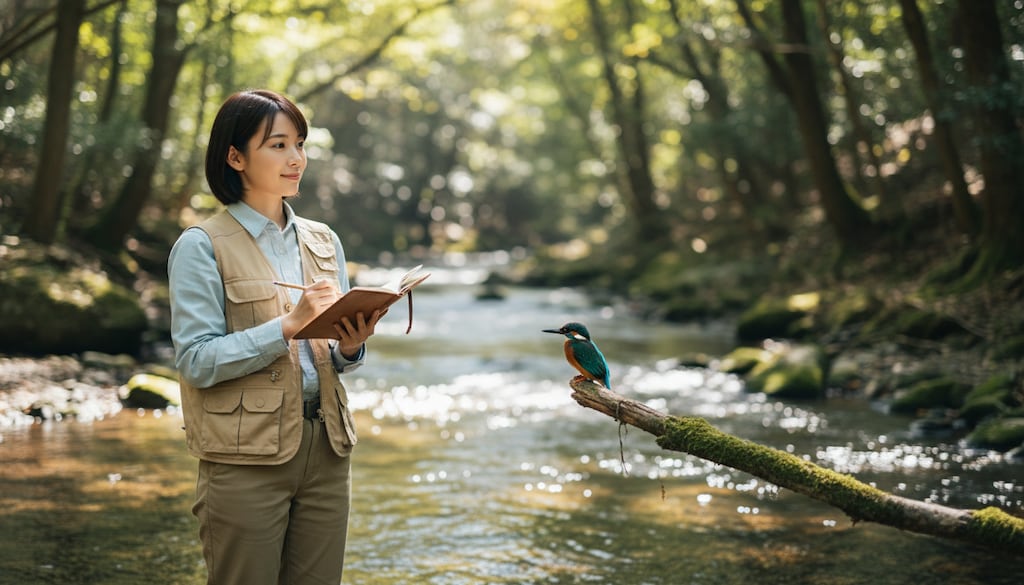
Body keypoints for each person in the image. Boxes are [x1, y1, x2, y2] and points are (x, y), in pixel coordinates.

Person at [168, 88, 382, 585]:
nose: (296, 158)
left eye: (300, 144)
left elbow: (335, 354)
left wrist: (351, 344)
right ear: (235, 157)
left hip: (327, 448)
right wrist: (286, 326)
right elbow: (196, 361)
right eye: (278, 145)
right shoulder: (200, 247)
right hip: (244, 459)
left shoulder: (324, 240)